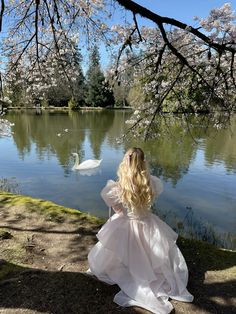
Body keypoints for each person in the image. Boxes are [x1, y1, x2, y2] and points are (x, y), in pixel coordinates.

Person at [88, 147, 193, 314]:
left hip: (126, 223)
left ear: (125, 163)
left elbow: (117, 209)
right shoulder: (151, 182)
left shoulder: (117, 187)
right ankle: (146, 273)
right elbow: (150, 200)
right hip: (148, 223)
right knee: (153, 254)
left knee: (120, 248)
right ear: (144, 162)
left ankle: (128, 270)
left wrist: (124, 209)